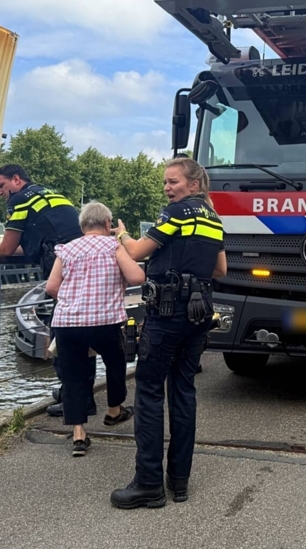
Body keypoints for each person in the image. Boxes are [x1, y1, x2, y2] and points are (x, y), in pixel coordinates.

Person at [110, 158, 226, 509]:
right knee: (183, 390)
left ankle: (148, 485)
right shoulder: (214, 219)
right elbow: (220, 268)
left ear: (193, 184)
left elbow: (136, 252)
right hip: (199, 312)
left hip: (167, 312)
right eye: (165, 182)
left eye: (173, 181)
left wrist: (122, 234)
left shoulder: (175, 212)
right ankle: (179, 481)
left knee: (148, 392)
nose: (166, 187)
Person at [0, 165, 91, 417]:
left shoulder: (19, 200)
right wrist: (1, 247)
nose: (0, 193)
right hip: (80, 259)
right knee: (82, 329)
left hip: (60, 264)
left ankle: (74, 402)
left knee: (62, 332)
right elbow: (33, 247)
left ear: (17, 180)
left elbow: (8, 250)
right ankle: (77, 394)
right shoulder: (50, 195)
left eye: (1, 186)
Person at [45, 202, 144, 456]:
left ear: (82, 226)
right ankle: (113, 411)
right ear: (108, 225)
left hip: (67, 323)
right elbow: (136, 278)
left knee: (73, 376)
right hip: (104, 321)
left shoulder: (66, 249)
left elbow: (52, 288)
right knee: (115, 361)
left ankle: (79, 435)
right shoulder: (113, 246)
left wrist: (72, 301)